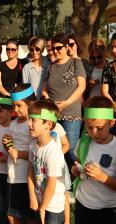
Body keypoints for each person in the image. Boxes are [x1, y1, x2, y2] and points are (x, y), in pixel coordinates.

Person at [42, 33, 86, 166]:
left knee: (70, 150)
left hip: (71, 114)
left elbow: (82, 86)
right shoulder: (51, 66)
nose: (55, 51)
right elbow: (44, 89)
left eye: (59, 47)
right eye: (53, 48)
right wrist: (49, 101)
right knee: (52, 149)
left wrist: (66, 103)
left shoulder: (75, 62)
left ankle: (78, 178)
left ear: (67, 46)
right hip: (52, 115)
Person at [71, 96, 116, 224]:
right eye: (89, 128)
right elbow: (79, 164)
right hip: (83, 203)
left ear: (111, 123)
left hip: (106, 209)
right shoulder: (84, 142)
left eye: (99, 128)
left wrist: (102, 177)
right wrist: (76, 171)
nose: (94, 132)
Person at [28, 100, 66, 224]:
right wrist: (33, 196)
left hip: (53, 206)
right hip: (40, 200)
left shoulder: (53, 151)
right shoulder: (33, 144)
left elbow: (51, 185)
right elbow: (30, 172)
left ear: (48, 125)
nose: (29, 124)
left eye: (33, 120)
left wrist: (43, 207)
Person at [3, 84, 36, 224]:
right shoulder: (13, 123)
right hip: (12, 175)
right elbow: (10, 150)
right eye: (13, 106)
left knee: (28, 216)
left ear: (31, 104)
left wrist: (19, 154)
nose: (15, 110)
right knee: (12, 215)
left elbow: (37, 152)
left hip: (26, 177)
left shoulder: (33, 124)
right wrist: (7, 143)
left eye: (19, 106)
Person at [102, 33, 116, 104]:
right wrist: (113, 105)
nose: (113, 50)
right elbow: (104, 91)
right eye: (112, 47)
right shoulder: (108, 67)